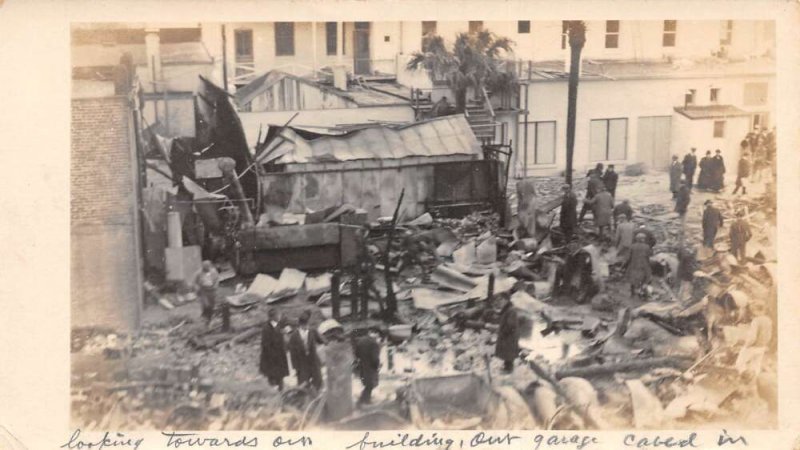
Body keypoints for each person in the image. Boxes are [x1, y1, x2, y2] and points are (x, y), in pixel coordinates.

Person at [288, 310, 323, 391]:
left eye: (308, 324)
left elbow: (322, 340)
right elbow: (292, 353)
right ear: (300, 325)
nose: (307, 326)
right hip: (302, 364)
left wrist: (329, 340)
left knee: (318, 382)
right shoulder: (294, 336)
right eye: (305, 325)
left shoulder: (312, 331)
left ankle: (317, 398)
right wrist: (296, 367)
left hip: (314, 362)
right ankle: (306, 400)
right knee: (303, 385)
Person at [260, 309, 289, 391]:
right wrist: (272, 355)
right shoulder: (266, 328)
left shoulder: (278, 325)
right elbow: (265, 343)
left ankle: (281, 390)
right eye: (278, 315)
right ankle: (274, 390)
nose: (280, 316)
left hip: (279, 354)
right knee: (272, 375)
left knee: (280, 375)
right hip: (271, 356)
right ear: (273, 317)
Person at [354, 328, 381, 406]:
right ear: (374, 333)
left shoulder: (361, 340)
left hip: (362, 365)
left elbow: (357, 354)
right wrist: (377, 366)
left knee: (367, 384)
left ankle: (365, 400)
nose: (377, 336)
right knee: (371, 384)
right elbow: (375, 358)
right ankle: (363, 401)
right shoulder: (374, 343)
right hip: (371, 367)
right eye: (377, 334)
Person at [495, 294, 520, 374]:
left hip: (509, 336)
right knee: (507, 353)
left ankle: (509, 370)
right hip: (508, 336)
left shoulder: (511, 310)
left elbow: (510, 325)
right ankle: (507, 367)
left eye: (500, 300)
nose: (499, 302)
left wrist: (503, 332)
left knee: (509, 353)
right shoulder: (507, 309)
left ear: (506, 300)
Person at [626, 233, 653, 298]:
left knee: (632, 278)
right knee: (644, 279)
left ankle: (632, 294)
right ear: (643, 239)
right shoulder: (647, 246)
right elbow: (648, 256)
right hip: (644, 265)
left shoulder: (632, 246)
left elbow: (628, 257)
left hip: (634, 264)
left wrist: (626, 264)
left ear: (636, 239)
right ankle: (643, 293)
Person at [194, 260, 220, 328]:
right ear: (202, 267)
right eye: (205, 267)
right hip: (203, 290)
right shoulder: (199, 273)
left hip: (212, 290)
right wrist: (197, 288)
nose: (206, 268)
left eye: (208, 266)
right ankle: (205, 317)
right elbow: (195, 282)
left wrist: (215, 286)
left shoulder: (213, 271)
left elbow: (217, 279)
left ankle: (209, 319)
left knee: (211, 305)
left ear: (210, 266)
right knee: (206, 305)